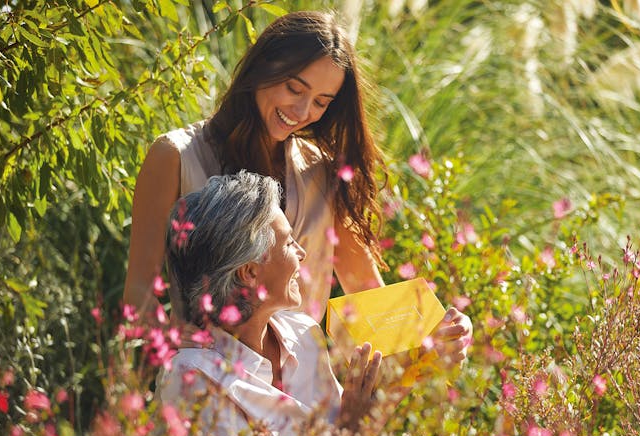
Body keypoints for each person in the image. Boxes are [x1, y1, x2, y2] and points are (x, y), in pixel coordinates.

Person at [123, 10, 472, 354]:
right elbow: (138, 293)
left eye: (321, 102)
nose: (303, 112)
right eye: (294, 88)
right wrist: (175, 340)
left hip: (303, 394)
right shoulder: (175, 156)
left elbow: (368, 297)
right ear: (263, 67)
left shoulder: (323, 173)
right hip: (208, 390)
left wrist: (439, 334)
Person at [157, 171, 461, 436]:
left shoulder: (303, 333)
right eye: (288, 244)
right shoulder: (194, 380)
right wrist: (349, 431)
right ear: (249, 272)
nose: (302, 253)